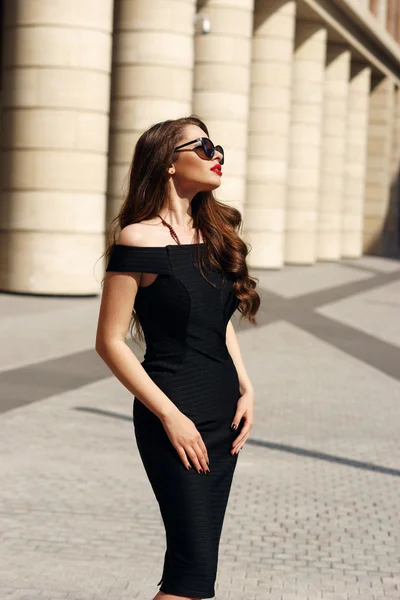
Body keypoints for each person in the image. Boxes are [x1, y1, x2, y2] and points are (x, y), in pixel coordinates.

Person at [95, 115, 260, 600]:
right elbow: (109, 341)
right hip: (174, 415)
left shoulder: (218, 232)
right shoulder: (138, 240)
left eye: (219, 149)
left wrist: (247, 386)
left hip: (223, 414)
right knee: (192, 574)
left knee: (196, 567)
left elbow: (218, 320)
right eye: (204, 147)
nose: (217, 157)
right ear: (169, 161)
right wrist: (170, 416)